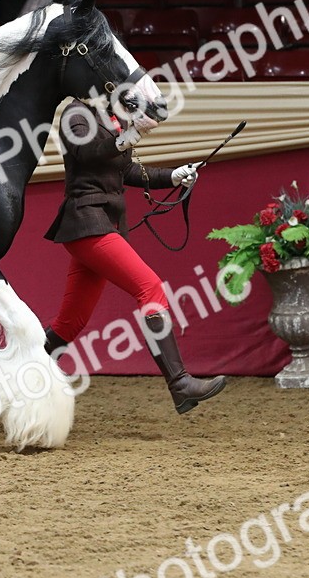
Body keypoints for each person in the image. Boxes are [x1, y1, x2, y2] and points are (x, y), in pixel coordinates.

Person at [42, 96, 228, 414]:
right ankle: (180, 384)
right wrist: (131, 136)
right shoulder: (76, 114)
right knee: (150, 288)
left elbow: (126, 169)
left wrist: (173, 176)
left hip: (102, 223)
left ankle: (18, 376)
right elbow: (88, 154)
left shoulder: (109, 116)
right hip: (87, 222)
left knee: (69, 323)